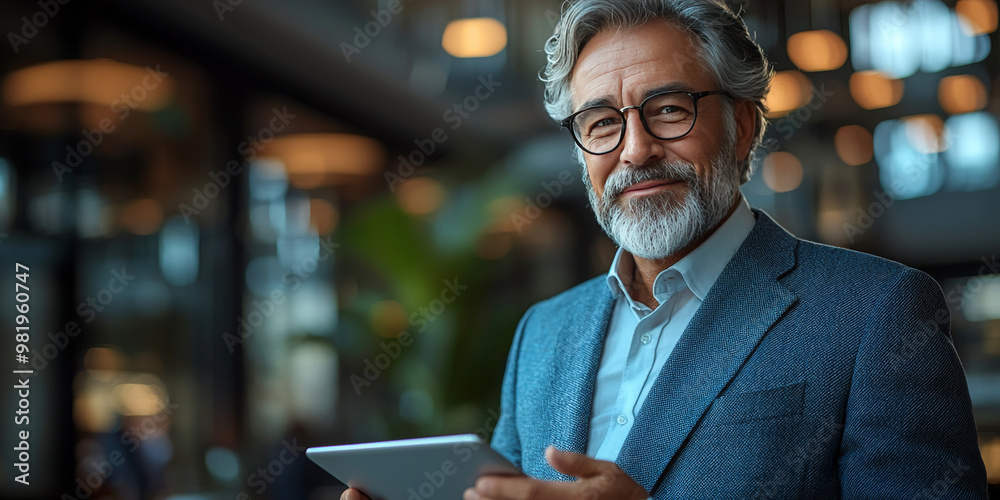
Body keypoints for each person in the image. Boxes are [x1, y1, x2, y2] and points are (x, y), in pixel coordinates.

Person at [343, 0, 988, 499]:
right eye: (601, 123)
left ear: (742, 127)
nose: (634, 150)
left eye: (669, 110)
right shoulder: (542, 334)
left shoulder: (875, 314)